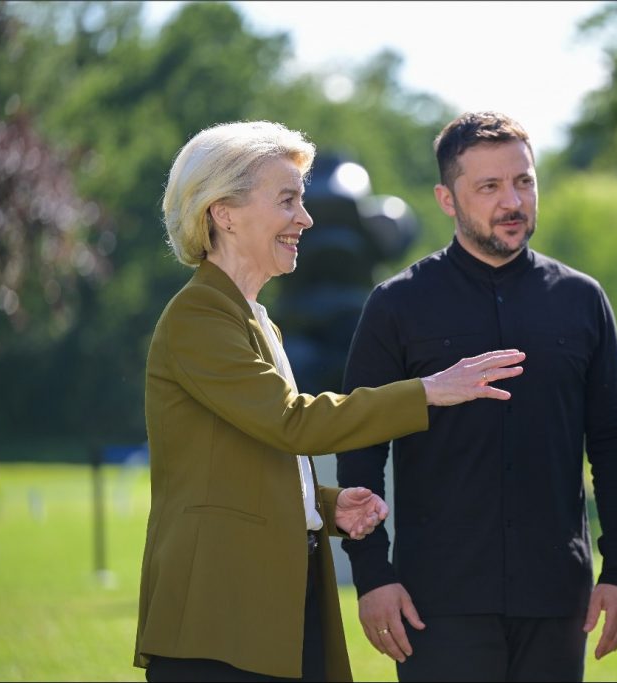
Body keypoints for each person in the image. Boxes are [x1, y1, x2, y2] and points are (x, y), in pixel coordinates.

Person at [134, 120, 527, 683]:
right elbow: (292, 424)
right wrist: (427, 391)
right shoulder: (200, 316)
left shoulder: (250, 317)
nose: (307, 219)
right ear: (224, 212)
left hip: (257, 609)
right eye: (288, 200)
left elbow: (243, 458)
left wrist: (322, 504)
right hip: (218, 619)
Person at [336, 111, 617, 682]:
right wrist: (373, 577)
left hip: (556, 598)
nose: (513, 201)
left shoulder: (582, 300)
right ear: (446, 199)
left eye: (524, 181)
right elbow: (360, 447)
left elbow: (614, 445)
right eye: (489, 186)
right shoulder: (396, 305)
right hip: (436, 602)